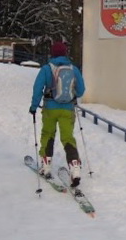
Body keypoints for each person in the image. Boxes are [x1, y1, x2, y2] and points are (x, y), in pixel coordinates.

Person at [30, 41, 86, 186]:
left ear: (52, 53)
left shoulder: (46, 69)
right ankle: (75, 168)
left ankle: (46, 165)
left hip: (50, 108)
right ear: (65, 53)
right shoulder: (73, 69)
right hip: (67, 109)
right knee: (68, 137)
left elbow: (37, 88)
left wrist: (34, 106)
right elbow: (81, 90)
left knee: (48, 134)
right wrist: (71, 95)